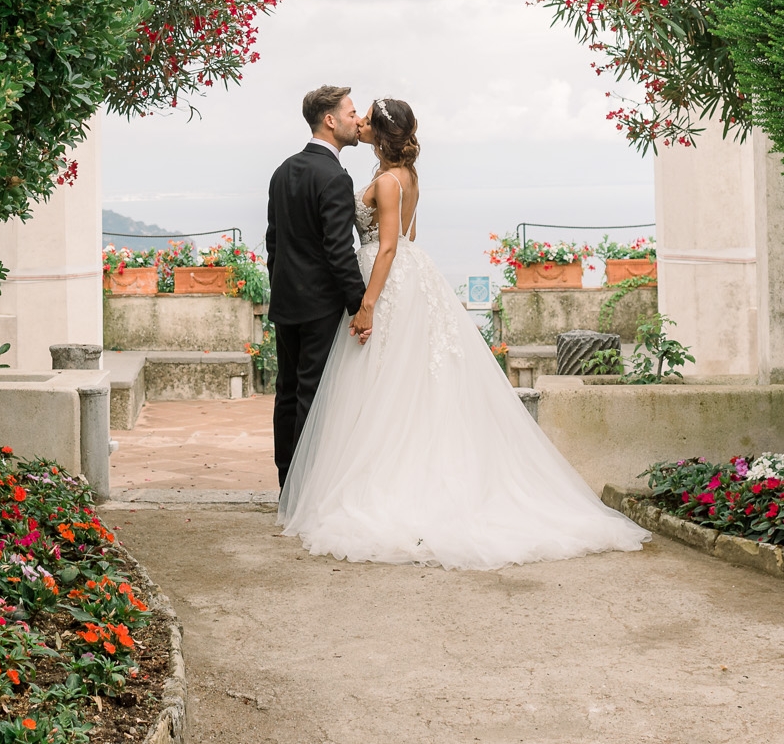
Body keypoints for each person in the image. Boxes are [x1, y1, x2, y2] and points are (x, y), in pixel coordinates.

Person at [277, 96, 649, 568]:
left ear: (382, 135)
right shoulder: (405, 176)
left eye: (367, 120)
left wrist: (368, 303)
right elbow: (410, 237)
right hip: (410, 276)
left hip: (385, 278)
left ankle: (381, 486)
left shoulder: (388, 181)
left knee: (382, 383)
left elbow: (390, 247)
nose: (361, 124)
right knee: (399, 384)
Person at [264, 85, 367, 488]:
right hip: (321, 305)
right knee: (314, 394)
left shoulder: (283, 170)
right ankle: (306, 490)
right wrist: (359, 304)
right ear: (330, 120)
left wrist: (282, 286)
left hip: (286, 300)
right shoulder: (335, 177)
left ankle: (287, 483)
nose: (357, 120)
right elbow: (338, 251)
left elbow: (274, 241)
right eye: (351, 113)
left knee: (287, 393)